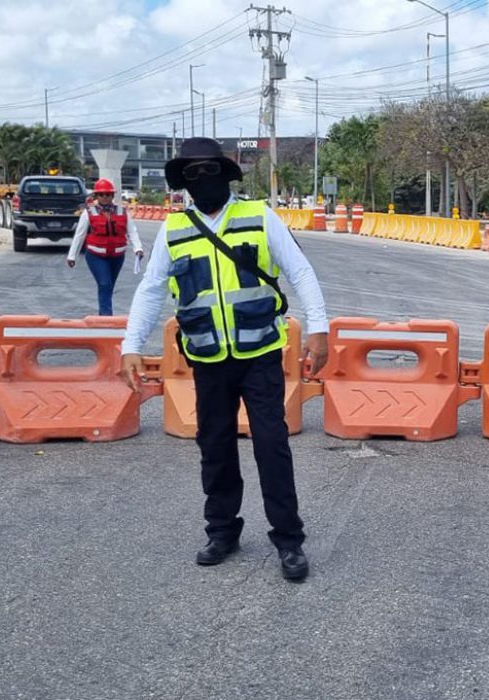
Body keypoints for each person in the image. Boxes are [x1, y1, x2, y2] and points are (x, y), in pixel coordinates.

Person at [119, 137, 329, 583]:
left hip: (260, 354)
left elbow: (300, 271)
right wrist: (130, 346)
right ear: (183, 181)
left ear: (225, 174)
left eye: (209, 171)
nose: (203, 180)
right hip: (207, 357)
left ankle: (289, 541)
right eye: (192, 173)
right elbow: (152, 289)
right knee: (213, 446)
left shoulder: (258, 216)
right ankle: (222, 531)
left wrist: (319, 329)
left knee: (272, 446)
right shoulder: (174, 231)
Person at [67, 179, 145, 315]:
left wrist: (138, 248)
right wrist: (72, 255)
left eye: (108, 194)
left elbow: (132, 231)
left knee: (108, 286)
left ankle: (102, 315)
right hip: (96, 256)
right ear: (96, 196)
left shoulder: (122, 211)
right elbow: (79, 235)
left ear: (112, 196)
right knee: (105, 284)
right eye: (101, 194)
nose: (105, 197)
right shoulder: (89, 213)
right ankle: (107, 318)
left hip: (117, 256)